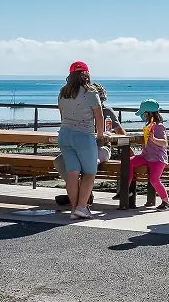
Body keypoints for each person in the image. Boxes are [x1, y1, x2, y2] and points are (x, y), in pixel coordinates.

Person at [54, 82, 125, 206]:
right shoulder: (81, 112)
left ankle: (81, 196)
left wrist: (106, 136)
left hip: (101, 148)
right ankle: (79, 193)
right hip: (83, 147)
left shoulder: (107, 112)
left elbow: (121, 133)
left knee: (91, 162)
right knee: (59, 162)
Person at [57, 61, 106, 220]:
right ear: (86, 74)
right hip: (83, 135)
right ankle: (82, 207)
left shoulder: (63, 92)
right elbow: (99, 116)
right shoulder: (90, 92)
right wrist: (100, 135)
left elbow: (62, 115)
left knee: (72, 173)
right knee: (90, 173)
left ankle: (73, 209)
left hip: (64, 134)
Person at [130, 99, 169, 210]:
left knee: (154, 180)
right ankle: (126, 188)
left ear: (148, 113)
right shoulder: (148, 126)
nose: (142, 116)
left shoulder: (159, 126)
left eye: (143, 114)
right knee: (129, 162)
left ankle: (166, 202)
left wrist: (154, 139)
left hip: (157, 158)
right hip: (145, 156)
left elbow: (164, 142)